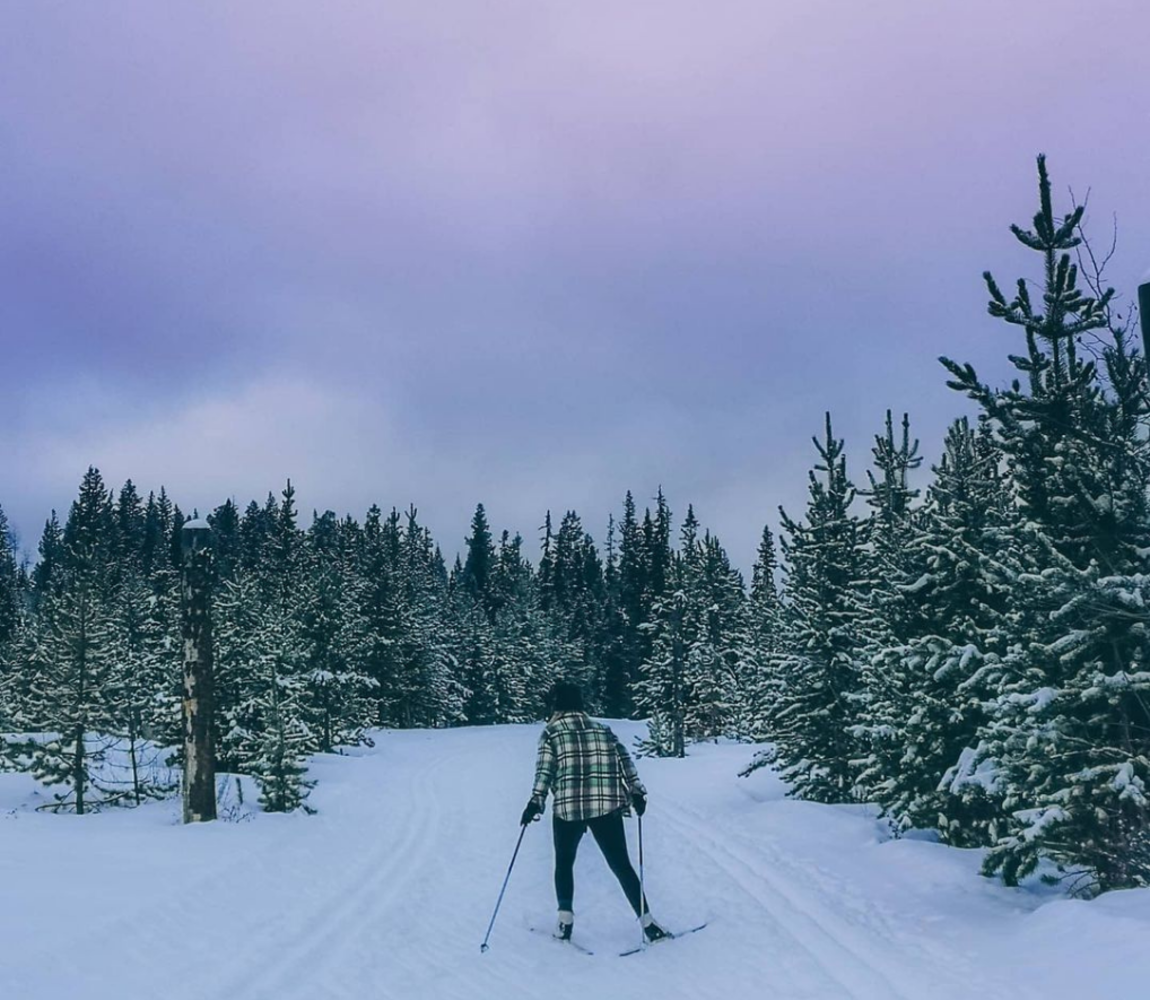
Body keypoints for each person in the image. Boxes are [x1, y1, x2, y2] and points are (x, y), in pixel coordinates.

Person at [521, 680, 669, 943]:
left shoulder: (551, 732)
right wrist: (636, 792)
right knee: (621, 865)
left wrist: (536, 802)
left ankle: (565, 922)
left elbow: (545, 771)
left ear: (556, 704)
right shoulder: (603, 729)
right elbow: (625, 761)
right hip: (606, 807)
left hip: (568, 809)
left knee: (564, 863)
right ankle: (649, 924)